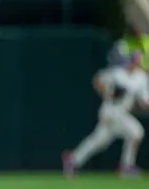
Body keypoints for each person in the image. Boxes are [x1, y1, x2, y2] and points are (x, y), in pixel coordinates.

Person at [62, 50, 149, 178]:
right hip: (110, 110)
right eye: (133, 60)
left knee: (99, 141)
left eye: (137, 61)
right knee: (137, 133)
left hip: (120, 112)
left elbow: (144, 101)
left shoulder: (141, 77)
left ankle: (73, 160)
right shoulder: (118, 73)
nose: (135, 63)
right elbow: (97, 80)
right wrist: (108, 94)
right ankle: (126, 166)